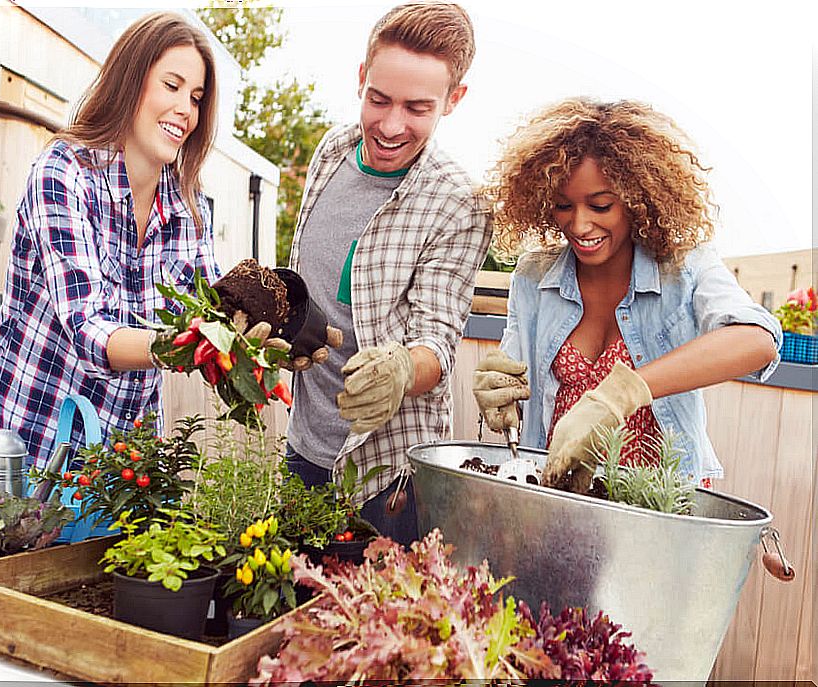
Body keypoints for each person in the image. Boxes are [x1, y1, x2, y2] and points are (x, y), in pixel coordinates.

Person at [473, 98, 782, 492]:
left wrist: (622, 393)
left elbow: (757, 341)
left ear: (638, 198)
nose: (580, 225)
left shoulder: (684, 268)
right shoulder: (534, 277)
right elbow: (515, 380)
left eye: (601, 205)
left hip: (658, 505)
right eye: (563, 206)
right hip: (559, 493)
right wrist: (498, 394)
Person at [0, 12, 225, 464]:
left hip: (118, 468)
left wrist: (260, 338)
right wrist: (187, 346)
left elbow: (212, 305)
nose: (186, 109)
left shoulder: (188, 207)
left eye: (197, 97)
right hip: (22, 442)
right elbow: (87, 327)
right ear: (131, 82)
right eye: (172, 85)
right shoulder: (64, 174)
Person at [284, 2, 491, 544]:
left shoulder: (458, 203)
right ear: (361, 78)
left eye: (417, 108)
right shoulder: (331, 152)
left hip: (387, 480)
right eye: (378, 99)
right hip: (304, 450)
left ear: (454, 100)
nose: (391, 125)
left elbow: (437, 343)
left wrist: (402, 367)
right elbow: (315, 287)